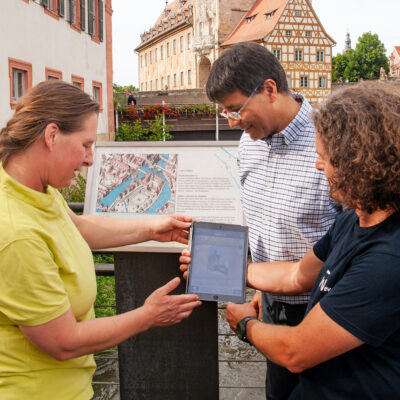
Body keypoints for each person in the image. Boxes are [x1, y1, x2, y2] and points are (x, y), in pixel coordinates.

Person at [0, 80, 201, 400]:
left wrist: (150, 229)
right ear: (51, 136)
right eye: (85, 145)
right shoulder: (16, 233)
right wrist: (148, 315)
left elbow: (77, 227)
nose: (90, 159)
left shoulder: (31, 188)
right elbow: (64, 342)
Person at [223, 81, 400, 399]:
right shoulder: (354, 216)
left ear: (359, 163)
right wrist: (226, 267)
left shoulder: (388, 258)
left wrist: (245, 324)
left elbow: (296, 351)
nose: (318, 165)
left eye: (325, 158)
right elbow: (298, 275)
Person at [205, 42, 339, 399]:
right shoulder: (249, 142)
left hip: (326, 309)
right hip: (269, 303)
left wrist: (223, 270)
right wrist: (258, 292)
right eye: (226, 113)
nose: (233, 121)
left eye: (235, 109)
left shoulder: (329, 142)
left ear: (269, 89)